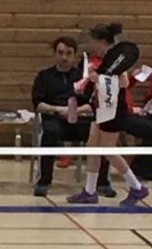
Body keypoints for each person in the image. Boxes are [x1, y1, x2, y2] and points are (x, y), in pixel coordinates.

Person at [67, 22, 149, 206]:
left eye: (95, 42)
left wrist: (98, 78)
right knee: (93, 147)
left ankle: (137, 187)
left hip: (113, 110)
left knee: (108, 150)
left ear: (102, 41)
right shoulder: (103, 59)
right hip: (101, 107)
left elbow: (123, 82)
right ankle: (90, 191)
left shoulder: (116, 59)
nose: (93, 46)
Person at [31, 36, 114, 197]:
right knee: (49, 133)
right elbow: (38, 105)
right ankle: (44, 181)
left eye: (68, 53)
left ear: (74, 55)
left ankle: (102, 182)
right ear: (54, 54)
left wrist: (76, 111)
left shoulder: (83, 77)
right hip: (55, 119)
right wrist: (58, 109)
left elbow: (92, 104)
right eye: (61, 53)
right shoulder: (44, 76)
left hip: (79, 119)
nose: (64, 57)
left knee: (101, 134)